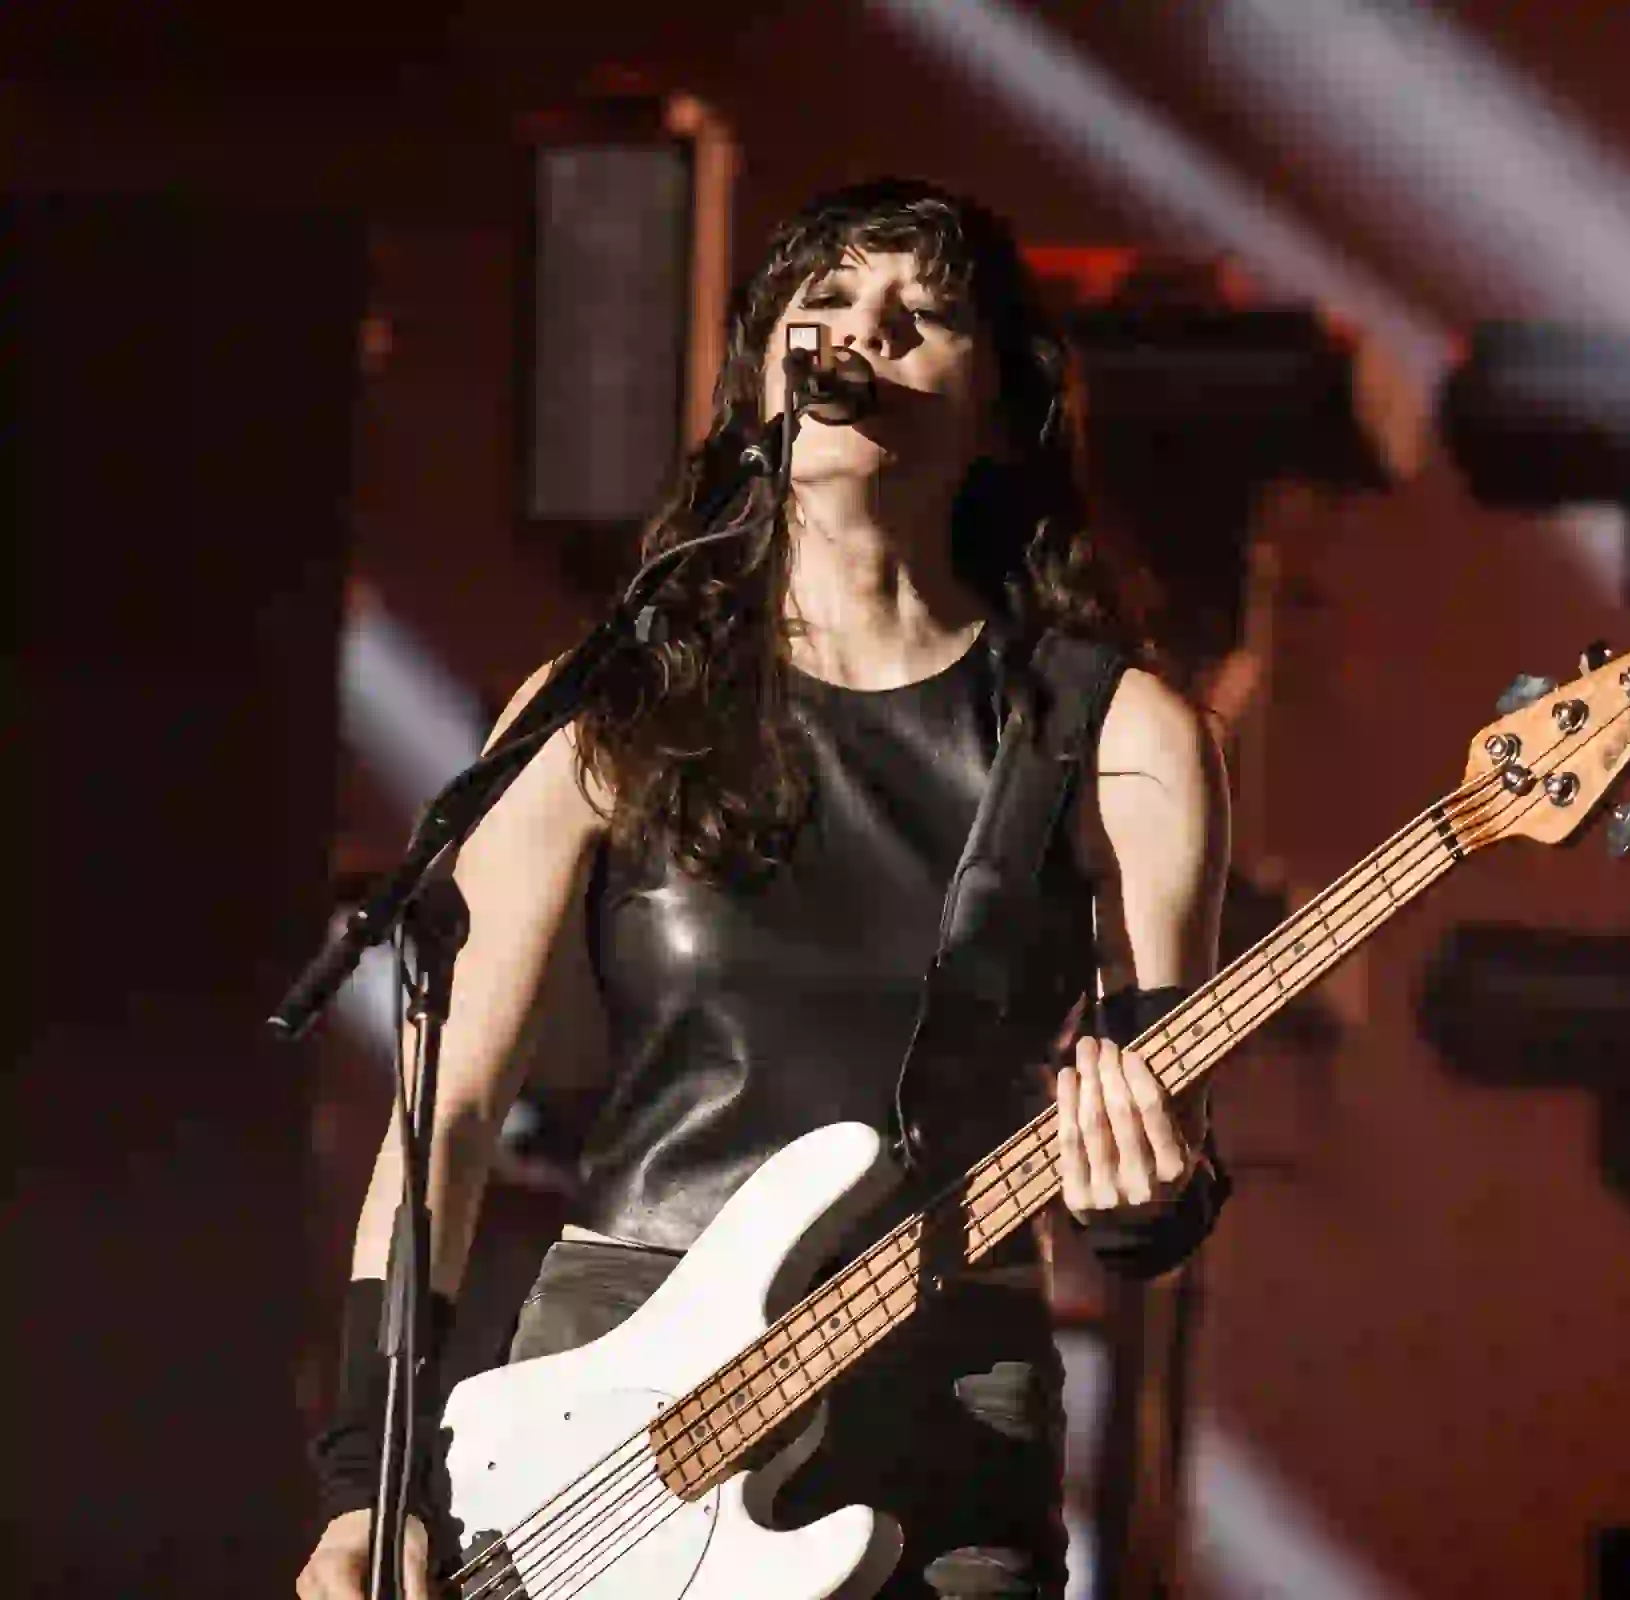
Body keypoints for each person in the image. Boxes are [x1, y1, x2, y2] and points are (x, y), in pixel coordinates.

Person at [295, 176, 1233, 1600]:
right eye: (827, 303)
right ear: (758, 385)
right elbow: (450, 1119)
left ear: (1001, 407)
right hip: (616, 1399)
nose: (864, 332)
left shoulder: (1120, 738)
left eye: (923, 313)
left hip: (940, 1387)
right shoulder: (609, 708)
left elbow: (1158, 1168)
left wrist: (1143, 1192)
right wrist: (367, 1480)